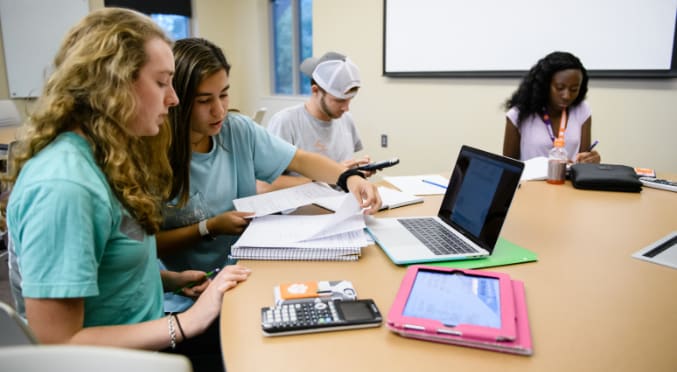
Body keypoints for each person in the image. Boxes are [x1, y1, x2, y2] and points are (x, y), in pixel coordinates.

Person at [1, 8, 250, 372]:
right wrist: (188, 322)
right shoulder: (64, 187)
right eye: (162, 82)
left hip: (143, 340)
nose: (174, 99)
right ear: (114, 84)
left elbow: (104, 266)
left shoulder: (108, 157)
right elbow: (58, 342)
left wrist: (167, 280)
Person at [157, 38, 381, 313]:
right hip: (185, 296)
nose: (219, 110)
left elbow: (300, 159)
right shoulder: (155, 151)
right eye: (204, 100)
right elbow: (147, 245)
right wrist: (209, 227)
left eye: (224, 94)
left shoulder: (237, 130)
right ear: (175, 99)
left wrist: (350, 178)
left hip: (243, 275)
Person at [260, 51, 372, 192]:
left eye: (350, 100)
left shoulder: (345, 119)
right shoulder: (285, 122)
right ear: (315, 90)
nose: (346, 108)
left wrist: (355, 174)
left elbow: (343, 169)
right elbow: (264, 184)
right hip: (305, 209)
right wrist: (332, 176)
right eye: (339, 100)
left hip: (343, 204)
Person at [503, 51, 601, 163]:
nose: (567, 96)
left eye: (574, 89)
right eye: (560, 88)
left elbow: (582, 162)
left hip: (569, 180)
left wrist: (589, 160)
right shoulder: (518, 114)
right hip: (530, 180)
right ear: (545, 85)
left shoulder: (582, 109)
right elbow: (509, 169)